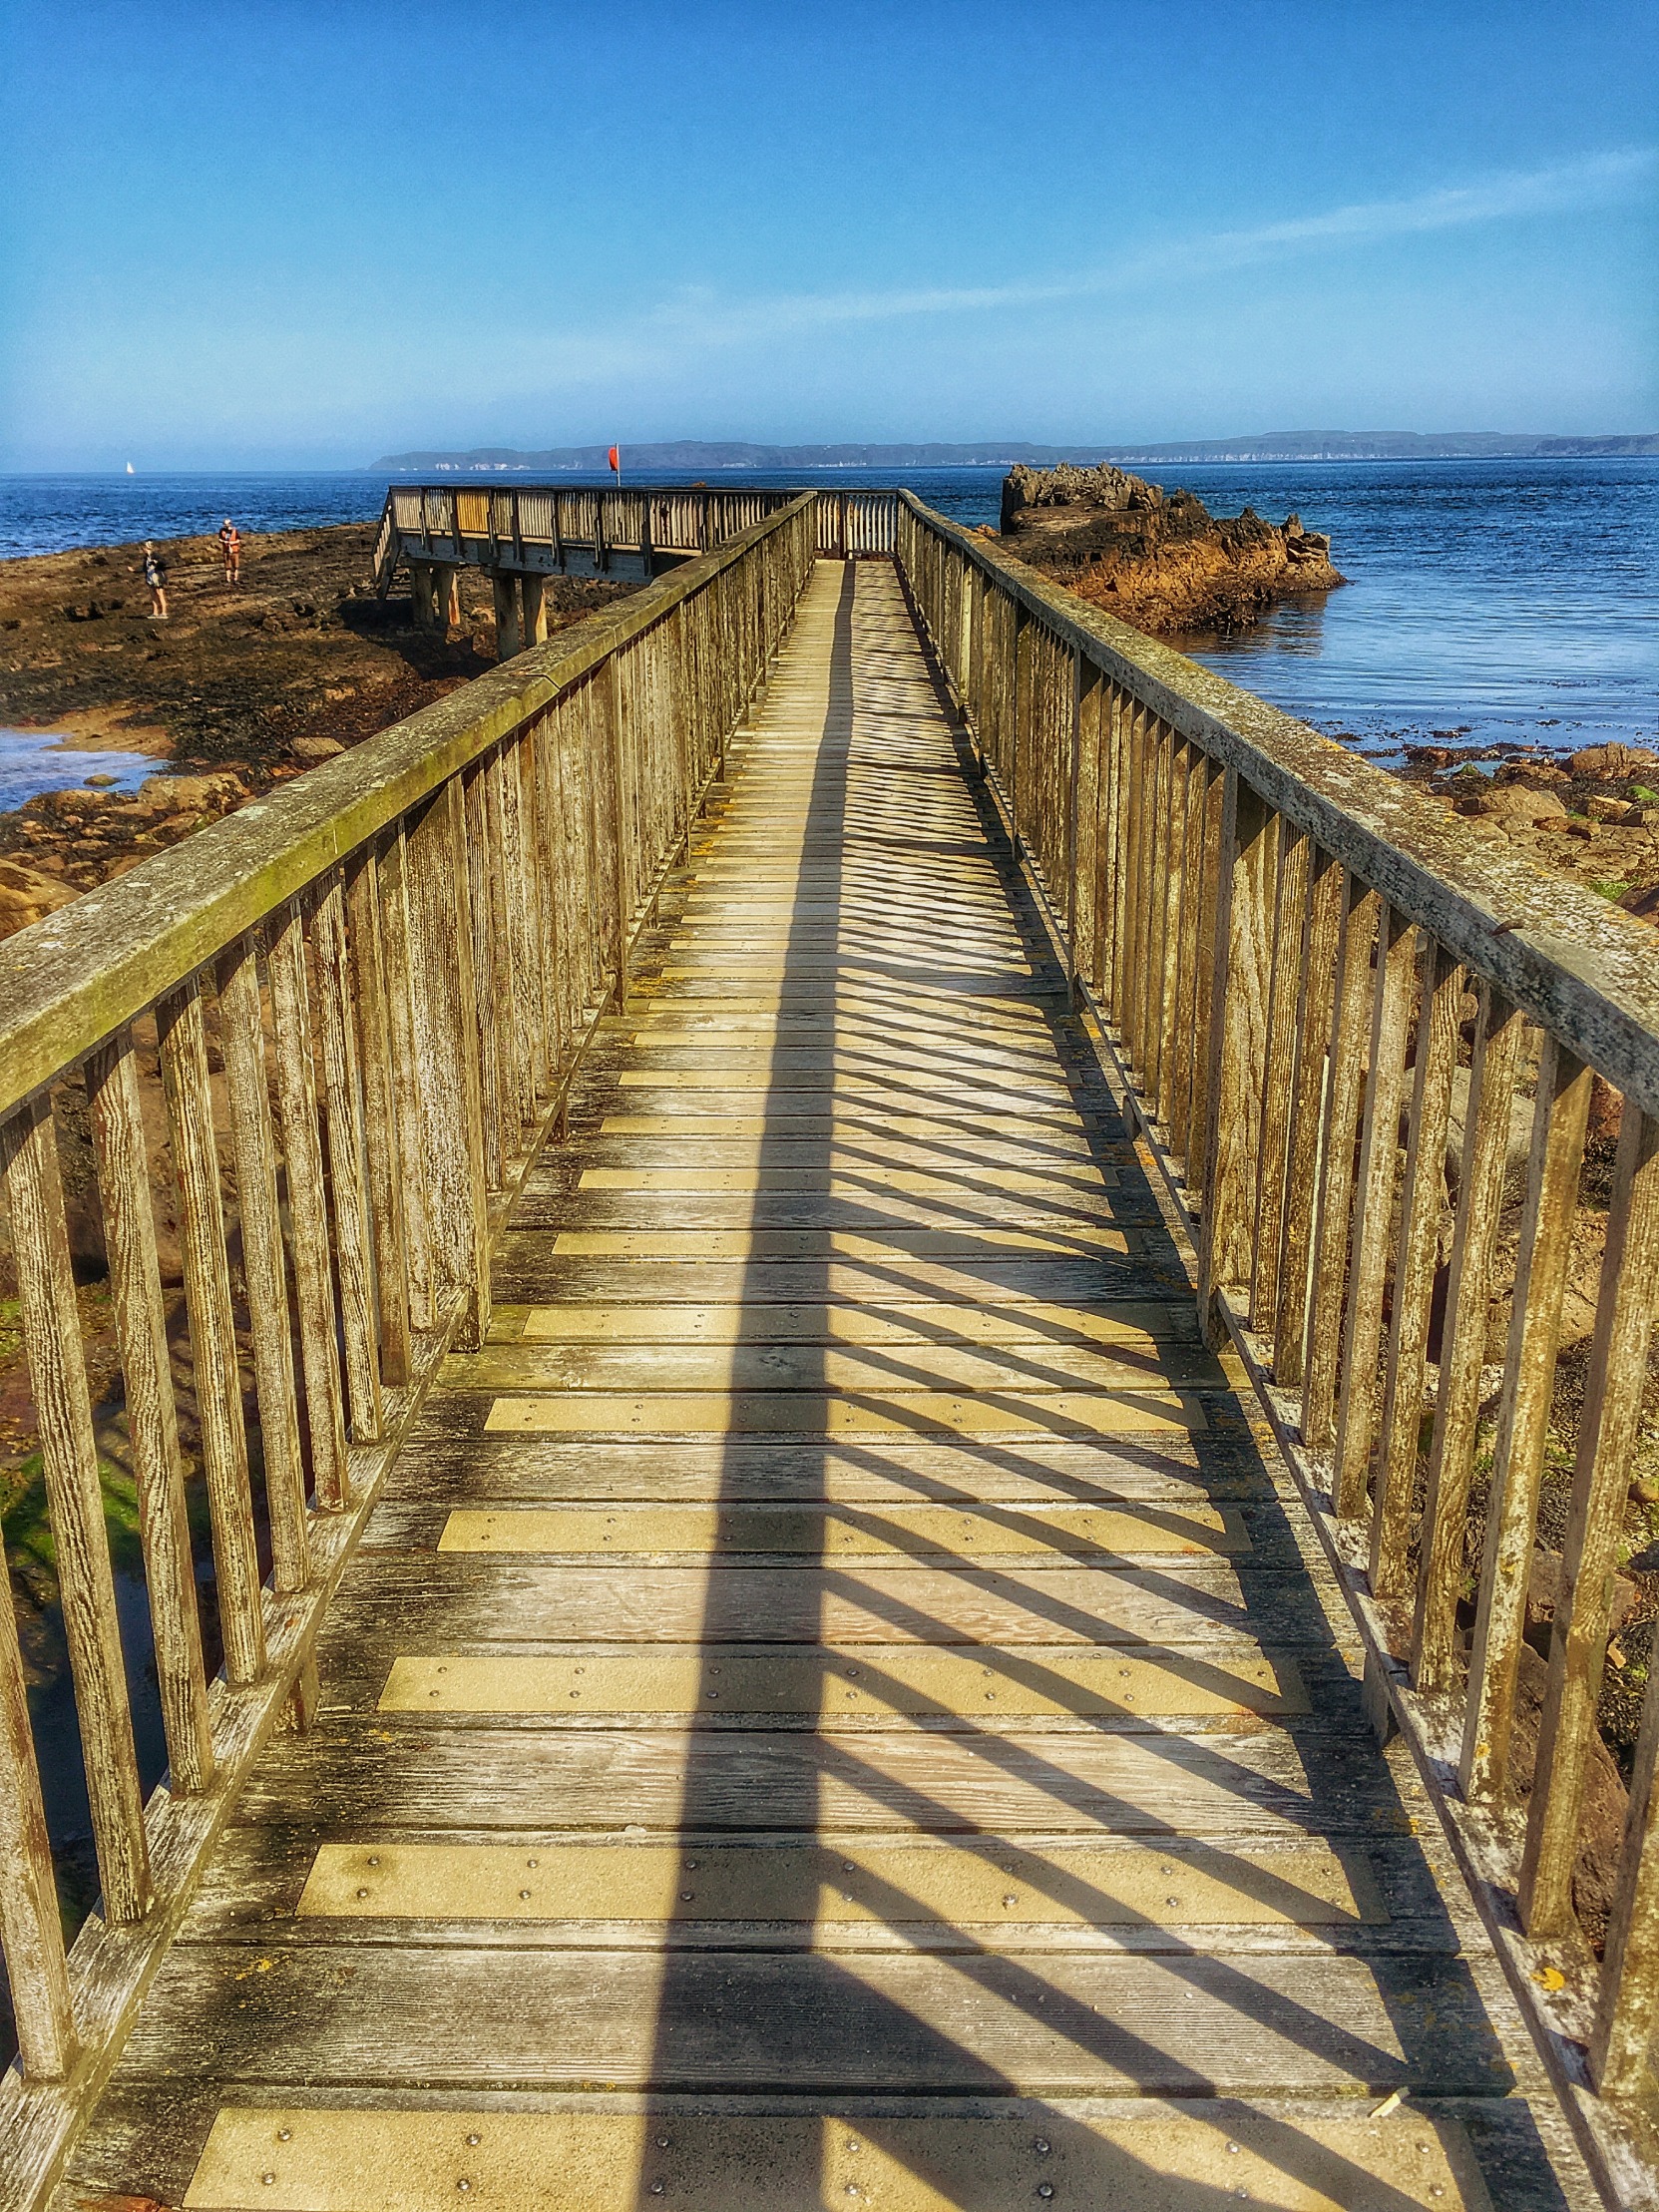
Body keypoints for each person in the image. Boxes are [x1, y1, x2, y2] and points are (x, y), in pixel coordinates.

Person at [141, 541, 168, 620]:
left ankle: (163, 613)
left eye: (144, 547)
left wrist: (157, 562)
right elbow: (144, 568)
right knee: (153, 595)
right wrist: (133, 570)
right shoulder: (146, 558)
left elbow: (164, 562)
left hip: (157, 577)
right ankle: (155, 613)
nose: (143, 549)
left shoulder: (155, 555)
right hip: (150, 578)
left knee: (160, 594)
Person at [218, 518, 241, 586]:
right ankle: (227, 580)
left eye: (226, 524)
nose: (225, 526)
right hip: (226, 551)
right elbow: (220, 539)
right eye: (224, 524)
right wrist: (224, 541)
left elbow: (238, 540)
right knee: (227, 566)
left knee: (236, 566)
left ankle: (235, 579)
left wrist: (232, 543)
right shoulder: (222, 531)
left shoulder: (235, 531)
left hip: (234, 550)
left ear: (230, 524)